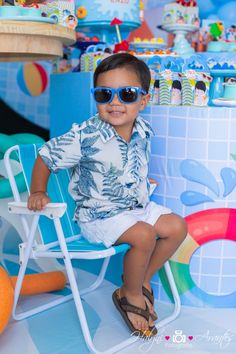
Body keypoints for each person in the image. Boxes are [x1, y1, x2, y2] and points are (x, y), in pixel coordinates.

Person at [27, 53, 187, 338]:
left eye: (126, 94)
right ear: (96, 97)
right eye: (104, 94)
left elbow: (128, 163)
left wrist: (139, 180)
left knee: (177, 227)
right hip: (99, 215)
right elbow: (46, 156)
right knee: (144, 236)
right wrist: (39, 190)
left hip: (134, 207)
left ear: (143, 100)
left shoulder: (143, 131)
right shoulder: (86, 136)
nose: (115, 102)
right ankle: (133, 296)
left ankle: (139, 281)